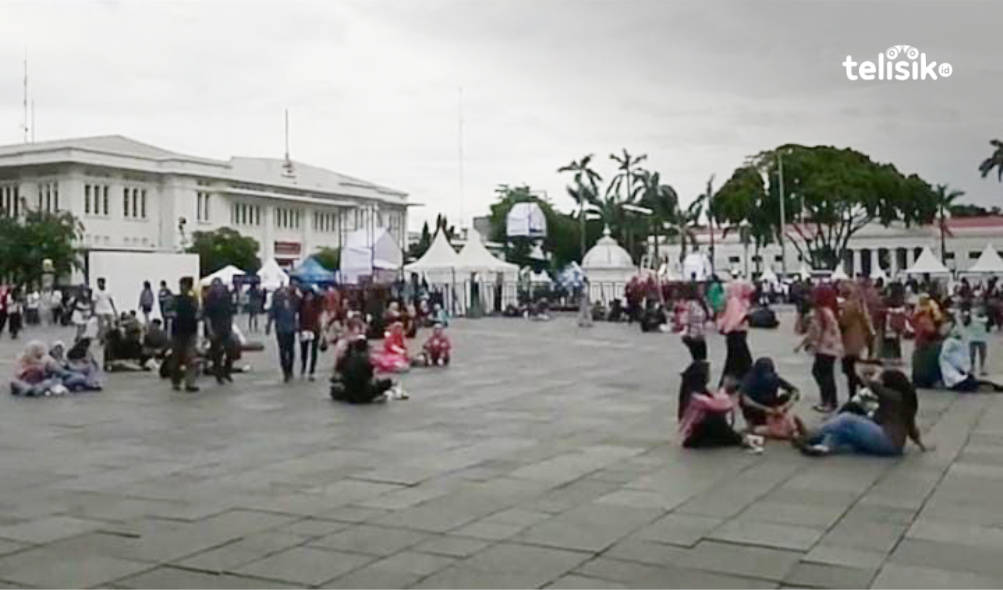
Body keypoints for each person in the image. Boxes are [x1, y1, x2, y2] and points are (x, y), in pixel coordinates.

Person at [793, 363, 929, 457]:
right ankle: (822, 447)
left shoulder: (892, 397)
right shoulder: (905, 400)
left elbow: (872, 384)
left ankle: (810, 435)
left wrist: (877, 372)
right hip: (894, 445)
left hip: (886, 440)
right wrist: (921, 445)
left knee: (847, 419)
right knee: (844, 431)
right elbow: (912, 428)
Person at [677, 361, 764, 452]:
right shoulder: (695, 396)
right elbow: (722, 405)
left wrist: (727, 390)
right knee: (715, 418)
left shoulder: (694, 391)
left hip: (698, 434)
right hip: (692, 438)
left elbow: (716, 400)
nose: (709, 375)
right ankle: (742, 440)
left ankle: (741, 440)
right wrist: (725, 388)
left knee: (716, 418)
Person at [796, 284, 843, 413]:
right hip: (832, 347)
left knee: (821, 373)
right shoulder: (829, 310)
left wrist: (810, 344)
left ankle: (827, 401)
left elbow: (816, 331)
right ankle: (831, 401)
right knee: (827, 374)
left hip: (824, 347)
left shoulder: (820, 312)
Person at [330, 319, 399, 404]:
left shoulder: (345, 359)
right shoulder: (366, 361)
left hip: (349, 394)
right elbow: (371, 379)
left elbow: (338, 377)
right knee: (387, 382)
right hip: (364, 394)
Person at [739, 357, 801, 438]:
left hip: (772, 406)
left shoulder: (774, 378)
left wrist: (785, 406)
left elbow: (795, 392)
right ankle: (751, 425)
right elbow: (745, 399)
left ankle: (780, 421)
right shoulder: (750, 380)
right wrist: (765, 409)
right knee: (742, 401)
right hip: (757, 408)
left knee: (785, 396)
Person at [939, 323, 1003, 392]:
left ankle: (996, 388)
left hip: (956, 379)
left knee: (978, 382)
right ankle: (995, 388)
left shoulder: (952, 344)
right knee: (977, 384)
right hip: (956, 380)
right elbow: (957, 363)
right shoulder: (950, 343)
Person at [839, 282, 874, 398]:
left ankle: (857, 392)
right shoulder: (859, 305)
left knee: (849, 371)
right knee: (853, 370)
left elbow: (844, 322)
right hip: (859, 341)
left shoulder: (848, 306)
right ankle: (861, 390)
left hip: (850, 343)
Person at [717, 280, 754, 386]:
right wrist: (745, 316)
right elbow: (734, 318)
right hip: (736, 334)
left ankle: (728, 384)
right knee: (741, 361)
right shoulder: (735, 301)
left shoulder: (738, 300)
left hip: (736, 334)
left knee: (734, 362)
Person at [169, 276, 200, 392]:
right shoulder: (175, 299)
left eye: (184, 285)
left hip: (190, 332)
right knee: (176, 358)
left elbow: (198, 312)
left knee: (190, 358)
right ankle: (176, 382)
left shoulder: (193, 300)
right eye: (181, 285)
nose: (182, 288)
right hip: (178, 332)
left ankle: (189, 383)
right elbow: (168, 312)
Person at [204, 278, 235, 385]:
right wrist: (210, 330)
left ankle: (227, 370)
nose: (217, 288)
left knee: (231, 349)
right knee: (217, 353)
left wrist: (231, 326)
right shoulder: (209, 299)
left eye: (218, 286)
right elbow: (207, 316)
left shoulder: (227, 297)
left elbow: (230, 313)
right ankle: (218, 375)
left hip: (226, 327)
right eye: (215, 286)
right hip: (215, 328)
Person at [266, 285, 298, 382]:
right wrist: (268, 325)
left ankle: (289, 369)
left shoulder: (293, 300)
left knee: (290, 350)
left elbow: (297, 311)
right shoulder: (277, 301)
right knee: (284, 350)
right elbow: (272, 313)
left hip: (290, 328)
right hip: (282, 328)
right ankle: (286, 371)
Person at [912, 294, 945, 388]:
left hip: (921, 344)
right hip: (926, 344)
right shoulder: (926, 315)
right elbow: (932, 329)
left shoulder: (920, 313)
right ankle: (933, 380)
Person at [298, 287, 323, 380]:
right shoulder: (301, 304)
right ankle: (303, 368)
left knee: (314, 351)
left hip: (314, 329)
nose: (309, 297)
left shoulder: (316, 303)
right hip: (305, 329)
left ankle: (312, 370)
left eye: (311, 295)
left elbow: (321, 297)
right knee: (304, 351)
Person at [681, 283, 709, 362]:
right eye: (700, 290)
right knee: (698, 358)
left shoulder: (702, 303)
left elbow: (708, 315)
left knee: (702, 358)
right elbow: (685, 319)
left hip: (701, 335)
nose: (702, 292)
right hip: (692, 335)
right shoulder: (690, 304)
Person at [961, 303, 990, 376]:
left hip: (982, 339)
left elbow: (988, 325)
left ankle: (982, 368)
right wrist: (966, 316)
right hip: (972, 339)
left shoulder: (985, 318)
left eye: (981, 309)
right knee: (972, 354)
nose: (979, 310)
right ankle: (972, 367)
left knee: (982, 355)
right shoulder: (970, 318)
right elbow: (965, 323)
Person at [93, 278, 118, 343]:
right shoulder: (95, 291)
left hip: (108, 309)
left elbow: (111, 300)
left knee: (111, 324)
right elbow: (94, 301)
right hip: (99, 310)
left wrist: (114, 309)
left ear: (103, 283)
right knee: (101, 325)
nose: (98, 284)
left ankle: (110, 337)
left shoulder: (108, 291)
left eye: (100, 283)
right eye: (98, 283)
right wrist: (93, 310)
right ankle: (102, 338)